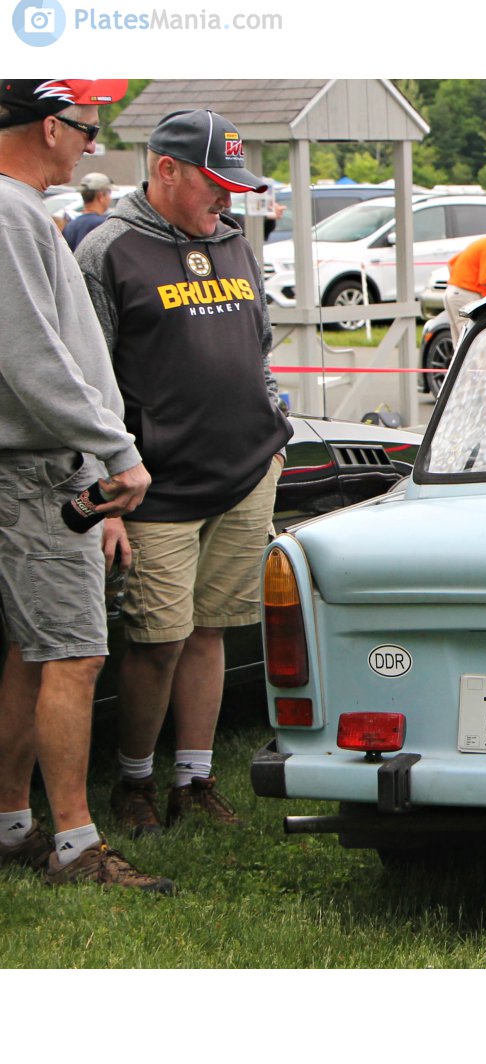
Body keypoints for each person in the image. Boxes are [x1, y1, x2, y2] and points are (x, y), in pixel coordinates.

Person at [76, 109, 292, 839]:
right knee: (158, 638)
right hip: (156, 486)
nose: (227, 200)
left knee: (213, 631)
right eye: (215, 183)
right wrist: (105, 495)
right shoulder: (109, 250)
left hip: (244, 471)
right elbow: (86, 376)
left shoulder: (234, 240)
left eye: (235, 185)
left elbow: (258, 343)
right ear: (165, 170)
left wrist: (272, 431)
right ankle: (133, 779)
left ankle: (193, 777)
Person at [0, 78, 170, 893]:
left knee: (33, 655)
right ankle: (76, 845)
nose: (91, 145)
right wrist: (114, 453)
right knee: (74, 653)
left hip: (46, 465)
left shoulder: (22, 209)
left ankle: (13, 824)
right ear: (46, 125)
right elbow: (33, 360)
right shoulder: (9, 210)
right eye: (86, 129)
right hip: (40, 468)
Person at [62, 170, 112, 251]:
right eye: (109, 194)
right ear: (100, 196)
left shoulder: (70, 226)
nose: (110, 199)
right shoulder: (103, 225)